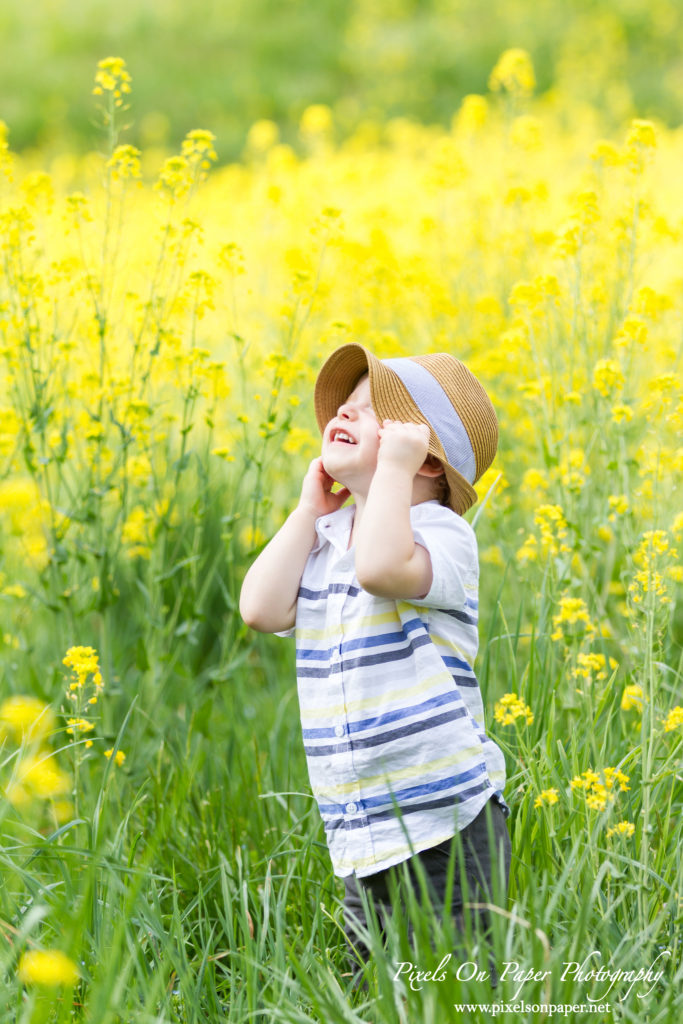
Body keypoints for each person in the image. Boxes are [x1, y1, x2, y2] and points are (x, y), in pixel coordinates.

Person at [239, 341, 511, 985]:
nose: (346, 414)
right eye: (346, 405)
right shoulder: (330, 539)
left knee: (453, 984)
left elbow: (384, 567)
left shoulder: (441, 537)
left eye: (373, 410)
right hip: (362, 819)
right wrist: (309, 511)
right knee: (372, 986)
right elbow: (260, 608)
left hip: (447, 817)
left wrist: (389, 474)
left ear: (427, 460)